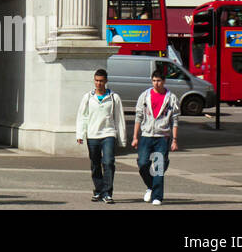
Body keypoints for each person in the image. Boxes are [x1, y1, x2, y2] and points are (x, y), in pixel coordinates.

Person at [76, 68, 127, 204]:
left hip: (108, 134)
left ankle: (107, 193)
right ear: (94, 81)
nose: (99, 83)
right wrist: (80, 133)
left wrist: (121, 139)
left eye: (101, 81)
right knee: (95, 164)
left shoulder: (114, 97)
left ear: (106, 81)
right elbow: (82, 116)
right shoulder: (88, 97)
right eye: (97, 81)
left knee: (108, 162)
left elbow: (119, 119)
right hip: (92, 135)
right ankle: (99, 190)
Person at [132, 68, 180, 206]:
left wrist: (175, 140)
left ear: (164, 81)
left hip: (162, 136)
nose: (156, 83)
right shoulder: (145, 95)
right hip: (146, 135)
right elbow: (138, 117)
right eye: (154, 80)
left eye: (159, 81)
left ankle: (157, 196)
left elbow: (175, 120)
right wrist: (135, 137)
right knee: (142, 163)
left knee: (158, 167)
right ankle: (151, 186)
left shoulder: (171, 98)